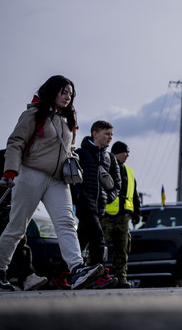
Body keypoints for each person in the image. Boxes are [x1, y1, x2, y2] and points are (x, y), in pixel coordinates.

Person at [0, 75, 104, 291]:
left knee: (67, 222)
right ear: (52, 91)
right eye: (64, 92)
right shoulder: (33, 114)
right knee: (17, 227)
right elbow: (15, 142)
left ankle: (77, 270)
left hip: (58, 179)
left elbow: (70, 148)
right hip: (31, 173)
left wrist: (73, 160)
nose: (68, 97)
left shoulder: (69, 119)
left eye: (71, 93)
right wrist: (11, 171)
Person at [0, 149, 48, 291]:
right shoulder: (4, 155)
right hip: (2, 203)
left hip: (18, 203)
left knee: (3, 238)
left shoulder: (35, 159)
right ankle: (28, 275)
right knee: (16, 231)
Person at [72, 120, 121, 289]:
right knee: (98, 239)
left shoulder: (110, 158)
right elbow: (71, 179)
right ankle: (101, 277)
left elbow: (117, 184)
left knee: (81, 240)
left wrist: (109, 197)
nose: (110, 138)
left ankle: (62, 275)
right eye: (106, 134)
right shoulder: (80, 153)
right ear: (95, 133)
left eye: (111, 135)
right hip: (85, 205)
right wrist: (78, 195)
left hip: (100, 207)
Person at [101, 141, 141, 289]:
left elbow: (134, 194)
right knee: (99, 247)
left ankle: (120, 278)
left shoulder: (129, 172)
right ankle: (97, 277)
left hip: (124, 217)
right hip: (107, 215)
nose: (127, 155)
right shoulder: (107, 167)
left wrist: (137, 212)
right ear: (116, 153)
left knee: (122, 248)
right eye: (125, 152)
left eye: (128, 152)